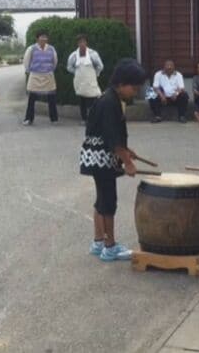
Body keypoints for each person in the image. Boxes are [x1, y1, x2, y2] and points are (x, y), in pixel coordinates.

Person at [79, 58, 147, 261]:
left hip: (95, 156)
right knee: (108, 202)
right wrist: (128, 162)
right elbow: (112, 139)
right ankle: (110, 247)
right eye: (133, 88)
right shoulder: (110, 102)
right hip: (101, 158)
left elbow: (112, 137)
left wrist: (127, 151)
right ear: (120, 83)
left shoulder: (110, 98)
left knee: (102, 199)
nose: (134, 92)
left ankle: (98, 241)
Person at [23, 30, 58, 125]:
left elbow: (55, 62)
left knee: (52, 98)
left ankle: (54, 119)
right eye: (41, 37)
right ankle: (29, 119)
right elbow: (26, 62)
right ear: (37, 38)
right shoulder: (31, 49)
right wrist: (29, 71)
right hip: (35, 75)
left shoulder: (51, 49)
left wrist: (49, 70)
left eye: (45, 37)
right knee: (32, 98)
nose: (44, 39)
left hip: (48, 76)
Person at [67, 34, 103, 122]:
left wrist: (95, 74)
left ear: (86, 42)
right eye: (80, 42)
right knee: (82, 100)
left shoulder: (93, 54)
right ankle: (84, 119)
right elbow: (69, 67)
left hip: (90, 81)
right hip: (79, 81)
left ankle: (93, 118)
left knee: (93, 99)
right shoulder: (74, 55)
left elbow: (100, 66)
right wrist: (77, 73)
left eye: (83, 41)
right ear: (77, 44)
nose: (82, 44)